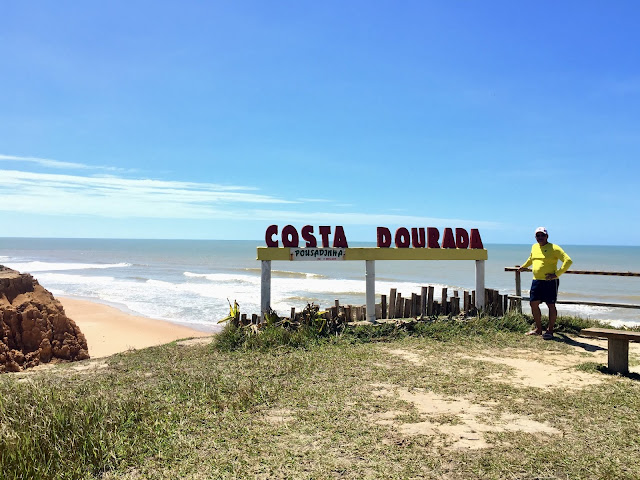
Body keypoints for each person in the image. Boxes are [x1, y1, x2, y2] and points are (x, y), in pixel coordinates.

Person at [517, 227, 572, 339]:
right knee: (533, 304)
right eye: (538, 235)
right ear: (535, 237)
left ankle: (550, 330)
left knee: (550, 305)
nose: (540, 237)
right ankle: (538, 329)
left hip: (550, 282)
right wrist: (524, 266)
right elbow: (531, 259)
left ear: (547, 236)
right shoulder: (534, 247)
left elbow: (568, 260)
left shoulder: (554, 248)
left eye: (542, 235)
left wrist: (557, 274)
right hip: (536, 280)